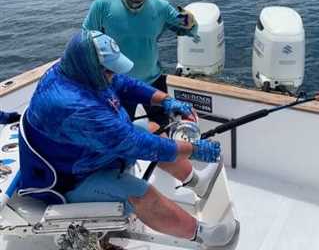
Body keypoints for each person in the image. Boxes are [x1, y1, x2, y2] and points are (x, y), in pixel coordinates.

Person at [18, 30, 238, 247]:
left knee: (152, 128)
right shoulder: (73, 106)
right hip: (70, 180)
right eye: (110, 70)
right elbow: (136, 144)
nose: (114, 74)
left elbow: (124, 84)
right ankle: (201, 234)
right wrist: (194, 150)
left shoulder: (78, 70)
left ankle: (196, 183)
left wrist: (166, 100)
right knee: (141, 193)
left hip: (90, 155)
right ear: (92, 67)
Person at [83, 0, 198, 130]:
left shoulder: (161, 8)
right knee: (118, 131)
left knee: (162, 128)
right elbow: (85, 41)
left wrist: (190, 21)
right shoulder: (102, 5)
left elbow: (188, 29)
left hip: (153, 81)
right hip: (117, 83)